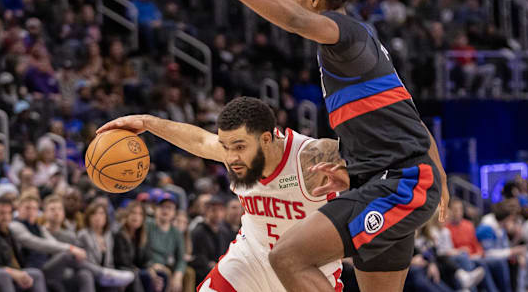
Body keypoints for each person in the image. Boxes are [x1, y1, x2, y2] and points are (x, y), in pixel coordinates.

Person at [187, 0, 447, 291]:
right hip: (387, 182)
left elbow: (294, 20)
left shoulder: (345, 35)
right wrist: (429, 176)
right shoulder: (361, 46)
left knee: (287, 256)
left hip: (400, 184)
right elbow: (412, 120)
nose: (287, 0)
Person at [98, 96, 345, 292]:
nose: (231, 157)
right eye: (226, 147)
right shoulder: (234, 153)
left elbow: (377, 166)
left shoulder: (312, 158)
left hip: (307, 270)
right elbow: (199, 141)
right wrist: (146, 122)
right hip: (251, 261)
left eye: (239, 147)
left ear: (267, 139)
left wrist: (357, 181)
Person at [0, 196, 47, 292]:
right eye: (1, 213)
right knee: (5, 275)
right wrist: (12, 272)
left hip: (15, 270)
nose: (6, 217)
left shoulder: (8, 230)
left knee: (36, 273)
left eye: (9, 213)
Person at [76, 202, 136, 289]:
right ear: (88, 217)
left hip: (107, 272)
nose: (98, 217)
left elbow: (110, 262)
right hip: (91, 271)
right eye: (94, 213)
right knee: (87, 274)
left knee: (123, 278)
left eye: (101, 213)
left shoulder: (108, 236)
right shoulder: (83, 235)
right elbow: (81, 261)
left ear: (106, 217)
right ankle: (105, 274)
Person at [114, 202, 157, 292]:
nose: (136, 217)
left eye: (140, 214)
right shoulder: (119, 233)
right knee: (142, 275)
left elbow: (147, 258)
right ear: (127, 215)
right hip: (121, 269)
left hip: (135, 269)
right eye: (133, 212)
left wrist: (150, 267)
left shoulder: (142, 234)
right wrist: (137, 269)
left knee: (159, 275)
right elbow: (122, 261)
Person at [190, 196, 228, 284]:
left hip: (220, 268)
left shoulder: (224, 232)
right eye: (214, 210)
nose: (217, 214)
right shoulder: (199, 231)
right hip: (203, 271)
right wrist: (209, 265)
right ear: (206, 212)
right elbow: (197, 256)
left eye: (220, 210)